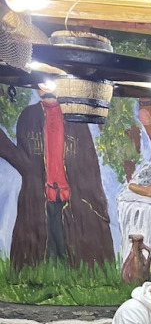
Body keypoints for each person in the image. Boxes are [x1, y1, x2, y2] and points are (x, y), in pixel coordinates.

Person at [0, 86, 114, 269]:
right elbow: (26, 162)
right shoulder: (28, 116)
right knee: (44, 255)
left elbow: (88, 161)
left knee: (72, 254)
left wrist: (92, 198)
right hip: (40, 197)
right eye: (39, 84)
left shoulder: (75, 119)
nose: (45, 88)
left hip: (71, 197)